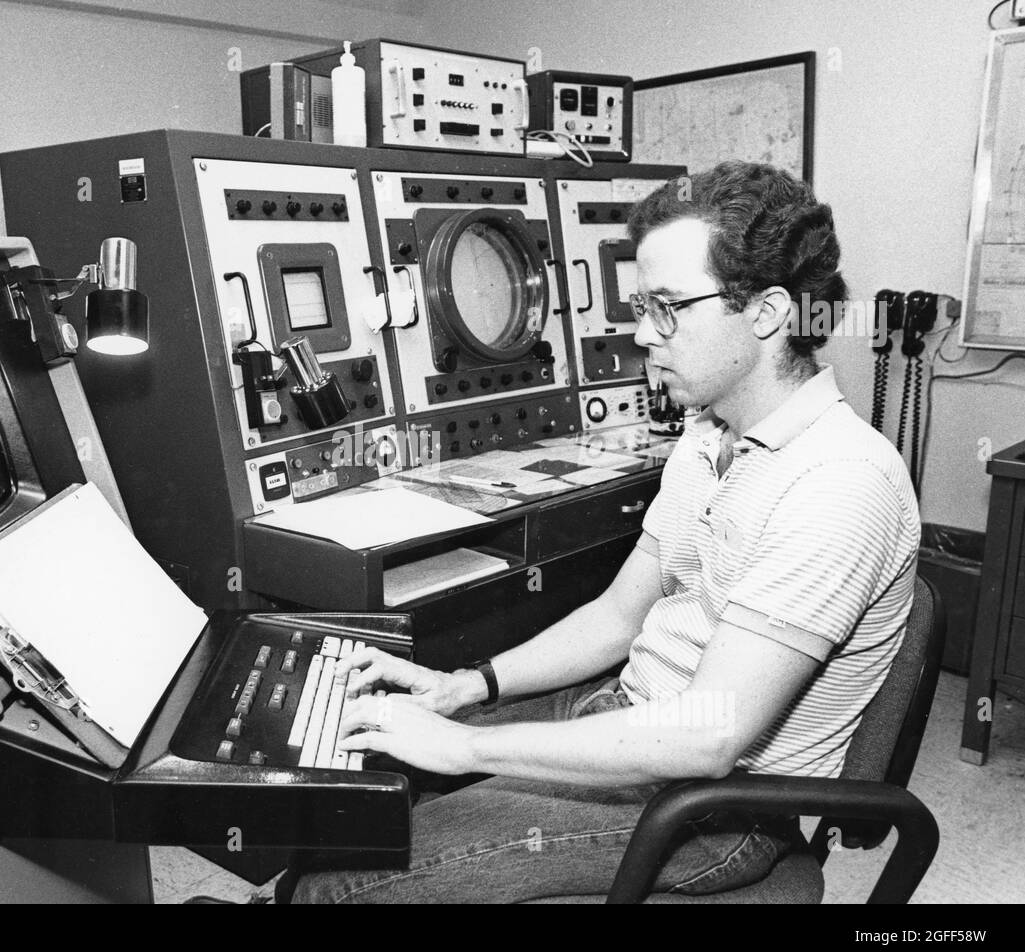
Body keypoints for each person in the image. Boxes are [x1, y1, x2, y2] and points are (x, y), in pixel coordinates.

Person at [287, 161, 922, 904]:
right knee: (348, 778)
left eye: (667, 307)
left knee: (338, 887)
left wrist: (463, 745)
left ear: (768, 311)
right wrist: (469, 686)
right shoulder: (708, 431)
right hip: (629, 710)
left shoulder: (838, 482)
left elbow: (709, 734)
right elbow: (618, 617)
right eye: (638, 306)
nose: (641, 335)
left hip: (715, 808)